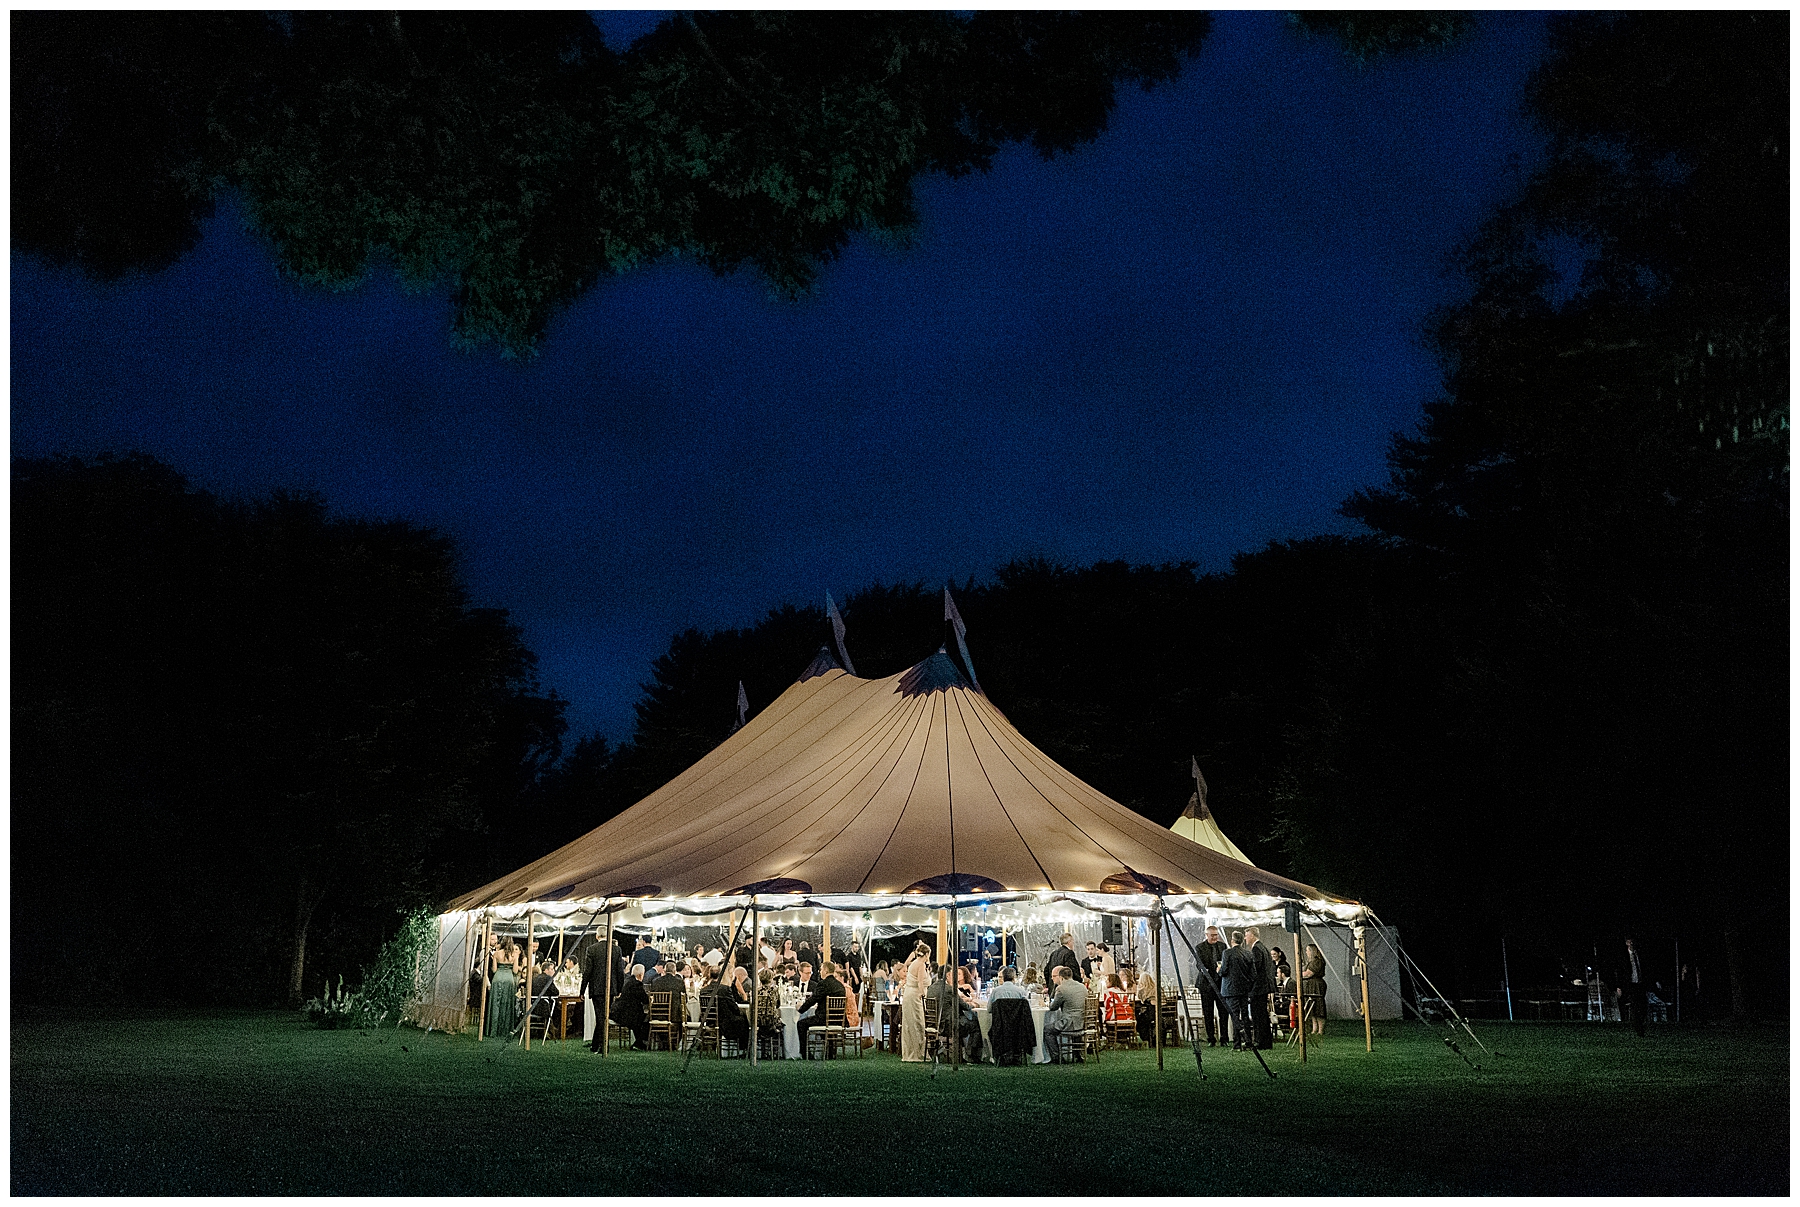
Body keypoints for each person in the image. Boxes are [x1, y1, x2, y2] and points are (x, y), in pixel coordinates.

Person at [795, 961, 847, 1058]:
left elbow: (813, 999)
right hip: (839, 1019)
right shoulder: (840, 985)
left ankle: (805, 1053)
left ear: (826, 971)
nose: (820, 972)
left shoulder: (823, 984)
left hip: (824, 1019)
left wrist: (801, 1009)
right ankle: (831, 1052)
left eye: (821, 970)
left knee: (801, 1024)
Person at [1196, 924, 1231, 1047]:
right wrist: (1203, 970)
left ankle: (1224, 1038)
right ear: (1207, 935)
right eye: (1212, 935)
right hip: (1206, 985)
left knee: (1223, 1013)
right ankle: (1211, 1039)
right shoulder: (1200, 947)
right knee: (1208, 1013)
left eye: (1216, 935)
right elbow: (1198, 963)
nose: (1215, 937)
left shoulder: (1223, 947)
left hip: (1221, 984)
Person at [1043, 965, 1087, 1062]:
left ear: (1061, 977)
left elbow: (1053, 1007)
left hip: (1068, 1023)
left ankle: (1056, 1057)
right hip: (1082, 1022)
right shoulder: (1082, 987)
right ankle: (1077, 1055)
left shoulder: (1061, 989)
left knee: (1047, 1030)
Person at [701, 969, 749, 1054]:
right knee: (744, 1020)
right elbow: (734, 1008)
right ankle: (742, 1049)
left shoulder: (703, 990)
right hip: (725, 1021)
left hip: (710, 1021)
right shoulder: (724, 989)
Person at [1220, 930, 1253, 1050]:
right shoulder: (1248, 954)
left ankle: (1237, 1043)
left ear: (1232, 940)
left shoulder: (1227, 953)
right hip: (1244, 990)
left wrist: (1219, 970)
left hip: (1230, 989)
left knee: (1234, 1016)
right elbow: (1253, 973)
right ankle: (1248, 1042)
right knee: (1245, 1016)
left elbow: (1224, 970)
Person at [1244, 927, 1276, 1050]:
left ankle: (1260, 1041)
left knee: (1258, 1016)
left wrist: (1248, 982)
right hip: (1264, 986)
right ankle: (1266, 1041)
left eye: (1246, 935)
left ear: (1252, 935)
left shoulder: (1256, 949)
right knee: (1262, 1015)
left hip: (1258, 987)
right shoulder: (1264, 948)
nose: (1245, 938)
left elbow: (1255, 969)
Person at [900, 940, 931, 1062]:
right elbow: (920, 982)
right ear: (927, 954)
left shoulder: (913, 963)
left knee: (909, 1024)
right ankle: (917, 1053)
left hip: (909, 994)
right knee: (918, 1023)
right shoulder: (921, 965)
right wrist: (923, 994)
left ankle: (909, 1052)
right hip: (915, 997)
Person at [608, 965, 651, 1051]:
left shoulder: (627, 980)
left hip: (618, 1012)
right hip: (626, 1015)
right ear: (640, 975)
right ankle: (639, 1043)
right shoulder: (637, 984)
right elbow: (645, 999)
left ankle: (639, 1043)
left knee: (639, 1021)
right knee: (647, 1021)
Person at [486, 937, 519, 1041]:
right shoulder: (515, 955)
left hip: (498, 978)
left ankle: (493, 1030)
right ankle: (505, 1030)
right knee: (507, 1004)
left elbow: (494, 970)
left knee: (496, 1004)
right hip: (509, 979)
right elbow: (515, 971)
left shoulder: (496, 954)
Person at [1622, 937, 1648, 1037]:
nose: (1631, 943)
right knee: (1635, 1006)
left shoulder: (1639, 954)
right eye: (1629, 942)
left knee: (1643, 1006)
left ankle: (1640, 1023)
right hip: (1631, 984)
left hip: (1640, 983)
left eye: (1632, 941)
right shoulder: (1625, 956)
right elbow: (1622, 971)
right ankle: (1639, 1028)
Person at [1300, 943, 1327, 1036]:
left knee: (1318, 1006)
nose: (1306, 952)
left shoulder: (1317, 962)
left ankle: (1320, 1030)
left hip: (1316, 985)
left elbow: (1308, 974)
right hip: (1310, 985)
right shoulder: (1310, 962)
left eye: (1307, 950)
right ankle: (1314, 1029)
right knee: (1312, 1006)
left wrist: (1301, 974)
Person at [1133, 971, 1160, 1045]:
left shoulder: (1142, 990)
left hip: (1151, 1013)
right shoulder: (1158, 988)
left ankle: (1146, 1038)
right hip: (1163, 1013)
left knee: (1139, 1018)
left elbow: (1140, 1000)